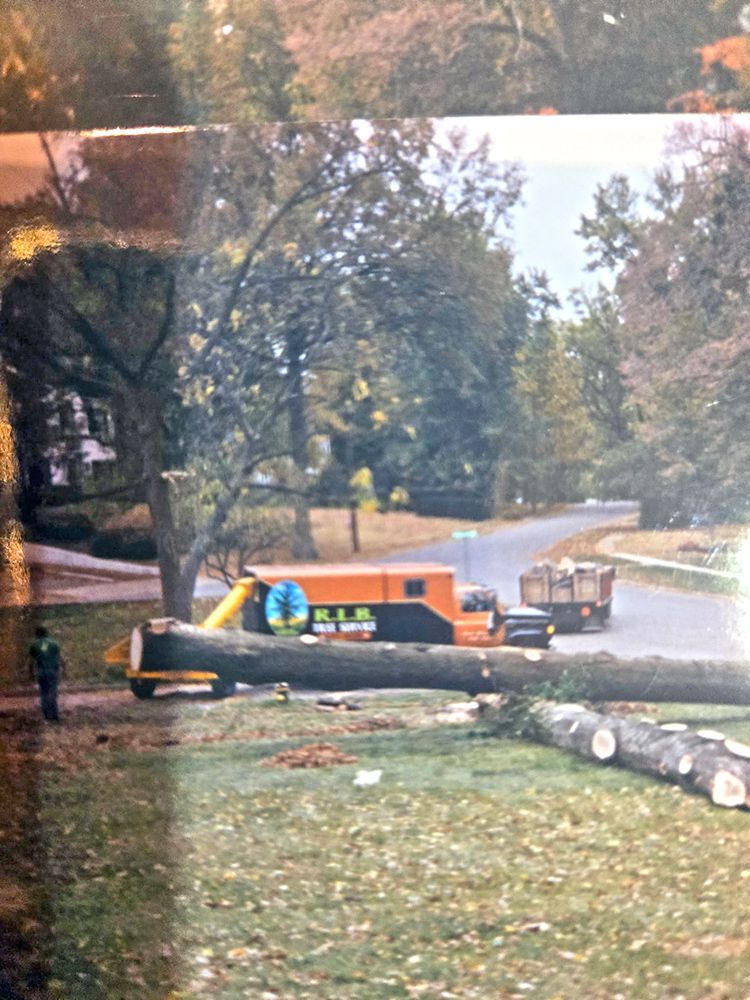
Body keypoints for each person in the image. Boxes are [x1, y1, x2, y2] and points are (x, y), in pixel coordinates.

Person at [28, 625, 66, 722]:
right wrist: (65, 670)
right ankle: (55, 716)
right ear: (47, 633)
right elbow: (62, 659)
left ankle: (47, 717)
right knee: (53, 693)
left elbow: (31, 662)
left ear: (37, 634)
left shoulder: (34, 645)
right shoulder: (54, 644)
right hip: (53, 671)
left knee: (44, 694)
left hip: (41, 671)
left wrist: (31, 674)